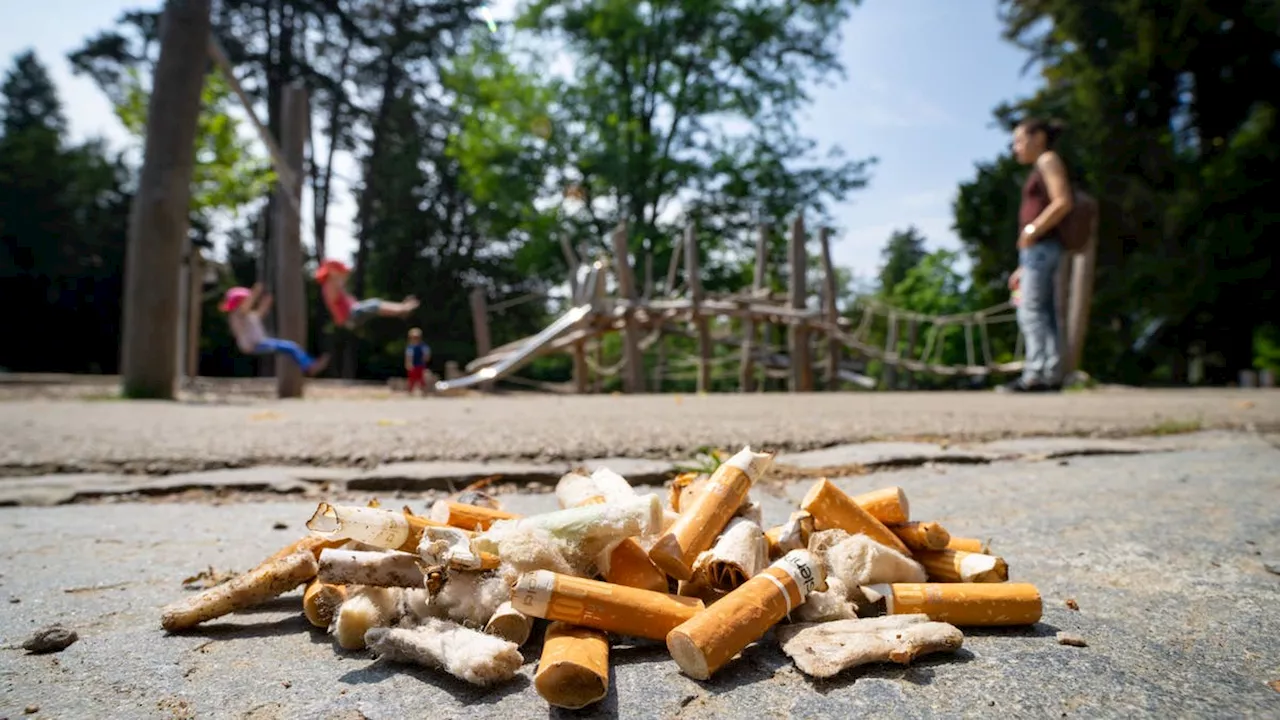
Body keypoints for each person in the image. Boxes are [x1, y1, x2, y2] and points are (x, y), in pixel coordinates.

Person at [1000, 117, 1075, 393]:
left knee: (1031, 311)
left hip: (1041, 246)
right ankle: (1050, 372)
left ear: (1038, 137)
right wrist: (1023, 265)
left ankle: (1037, 373)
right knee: (1044, 311)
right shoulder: (1044, 163)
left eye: (1019, 140)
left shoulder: (1047, 160)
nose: (1016, 147)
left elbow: (1063, 201)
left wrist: (1032, 230)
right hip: (1038, 251)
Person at [220, 284, 329, 376]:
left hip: (258, 343)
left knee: (291, 348)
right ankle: (309, 366)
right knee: (291, 347)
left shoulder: (248, 316)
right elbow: (246, 306)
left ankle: (308, 364)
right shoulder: (237, 315)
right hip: (253, 344)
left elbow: (260, 313)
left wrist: (266, 302)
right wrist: (256, 292)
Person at [315, 259, 420, 330]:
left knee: (376, 309)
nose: (344, 277)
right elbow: (333, 298)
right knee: (375, 304)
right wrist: (335, 279)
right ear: (334, 273)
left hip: (352, 315)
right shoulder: (329, 286)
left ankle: (400, 311)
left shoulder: (332, 285)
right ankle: (402, 309)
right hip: (351, 316)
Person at [404, 327, 431, 395]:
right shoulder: (410, 347)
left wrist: (425, 359)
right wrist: (408, 363)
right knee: (411, 380)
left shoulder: (423, 346)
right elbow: (408, 356)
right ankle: (410, 392)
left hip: (421, 365)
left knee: (422, 379)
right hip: (413, 365)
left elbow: (426, 354)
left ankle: (424, 392)